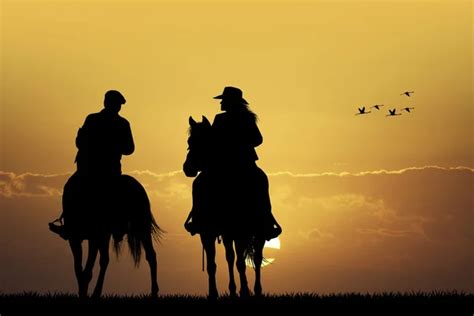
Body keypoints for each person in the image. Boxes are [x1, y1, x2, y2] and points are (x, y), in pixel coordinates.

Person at [185, 86, 281, 240]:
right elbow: (213, 142)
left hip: (244, 162)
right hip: (222, 163)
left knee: (259, 182)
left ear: (232, 102)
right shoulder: (219, 118)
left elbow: (258, 139)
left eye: (223, 100)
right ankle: (198, 217)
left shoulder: (247, 119)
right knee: (200, 183)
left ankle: (266, 221)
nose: (221, 103)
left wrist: (238, 141)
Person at [50, 90, 134, 240]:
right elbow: (80, 142)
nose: (118, 108)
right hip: (94, 169)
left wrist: (110, 145)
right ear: (107, 103)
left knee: (72, 187)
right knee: (70, 187)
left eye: (118, 105)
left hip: (102, 170)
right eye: (117, 104)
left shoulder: (112, 122)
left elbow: (129, 149)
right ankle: (70, 224)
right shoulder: (98, 120)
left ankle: (119, 225)